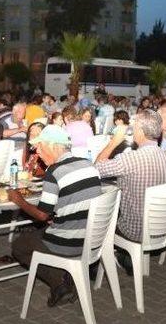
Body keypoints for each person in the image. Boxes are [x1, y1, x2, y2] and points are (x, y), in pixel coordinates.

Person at [10, 125, 102, 306]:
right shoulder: (88, 164)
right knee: (43, 230)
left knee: (20, 245)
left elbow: (42, 215)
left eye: (40, 147)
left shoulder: (54, 172)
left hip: (69, 243)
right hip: (91, 240)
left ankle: (60, 281)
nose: (37, 152)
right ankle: (66, 273)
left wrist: (18, 200)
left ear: (53, 146)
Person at [95, 110, 166, 273]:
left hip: (134, 231)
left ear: (140, 131)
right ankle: (127, 257)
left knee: (98, 220)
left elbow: (96, 169)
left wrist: (114, 142)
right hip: (161, 228)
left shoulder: (130, 159)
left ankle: (98, 266)